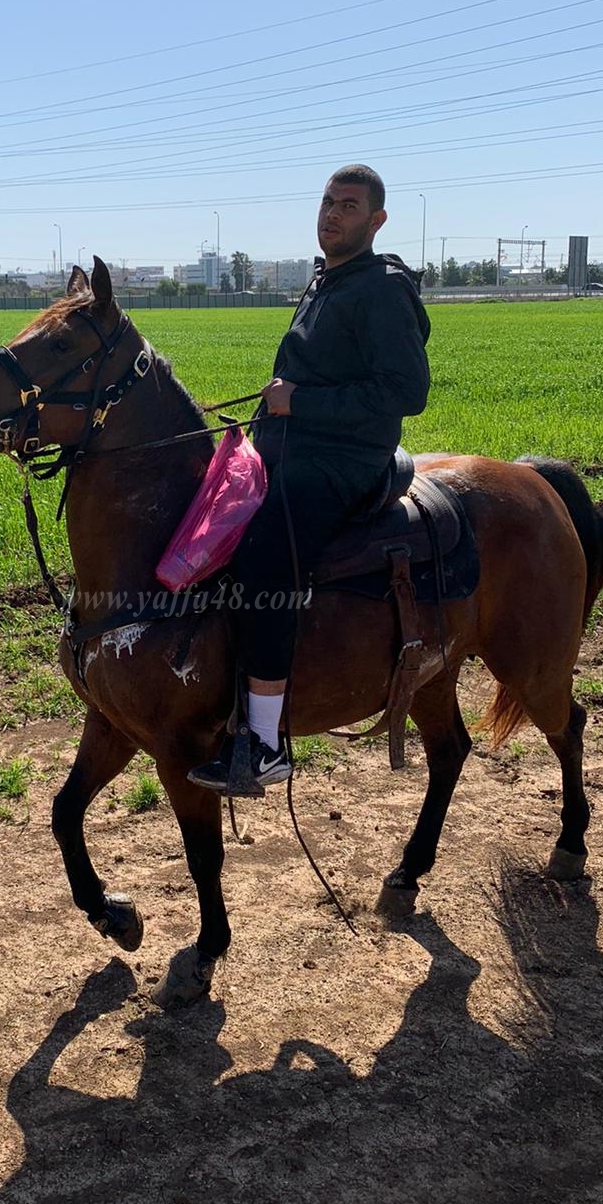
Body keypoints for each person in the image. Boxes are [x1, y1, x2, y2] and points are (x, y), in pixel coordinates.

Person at [189, 164, 431, 794]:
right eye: (327, 202)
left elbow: (407, 392)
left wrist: (300, 403)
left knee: (266, 551)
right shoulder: (327, 280)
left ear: (376, 221)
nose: (332, 214)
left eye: (348, 205)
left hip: (345, 461)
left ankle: (266, 743)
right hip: (292, 447)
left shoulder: (381, 289)